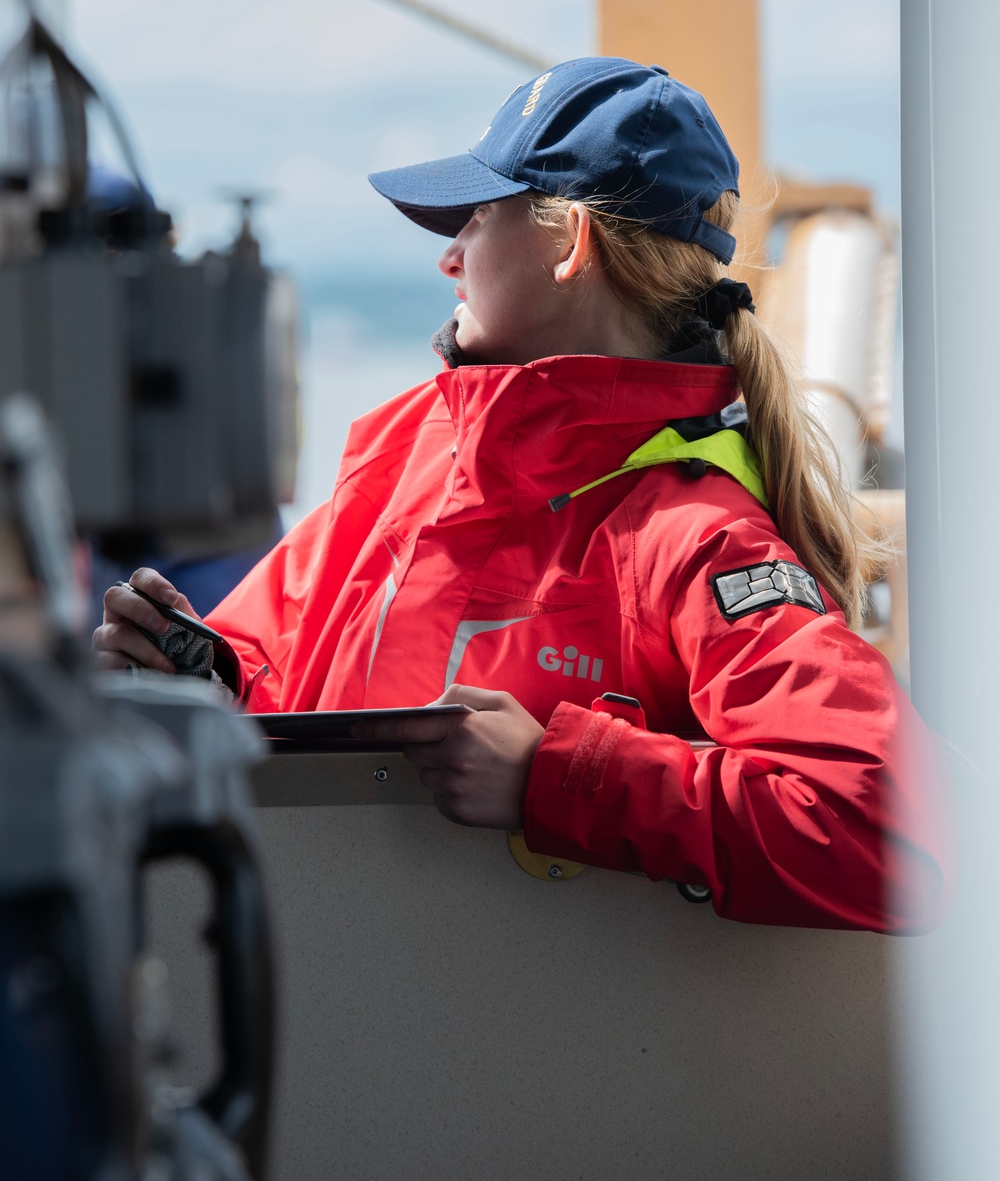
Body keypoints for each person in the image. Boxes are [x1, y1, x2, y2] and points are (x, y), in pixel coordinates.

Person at [94, 57, 952, 933]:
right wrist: (207, 679)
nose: (448, 258)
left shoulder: (693, 539)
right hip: (342, 1022)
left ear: (569, 242)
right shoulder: (405, 446)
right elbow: (277, 668)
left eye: (473, 218)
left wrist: (560, 778)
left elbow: (894, 837)